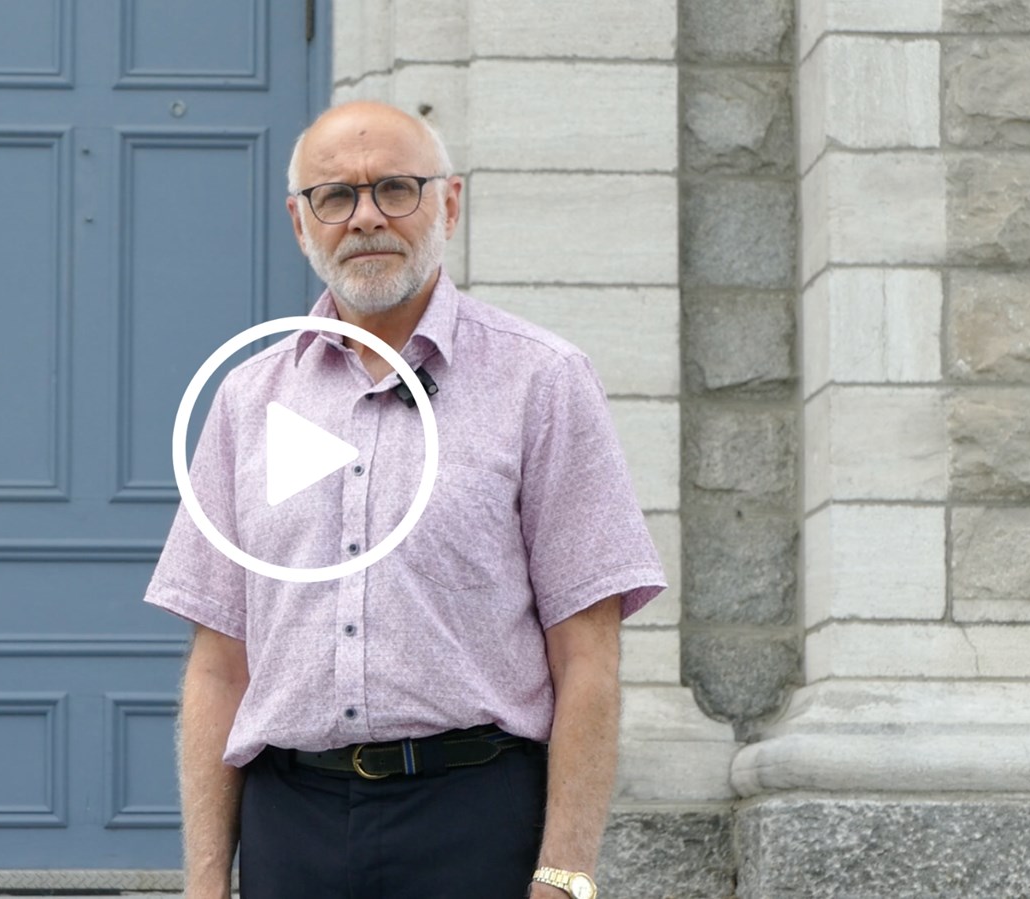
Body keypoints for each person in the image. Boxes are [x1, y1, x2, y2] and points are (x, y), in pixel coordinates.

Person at [143, 100, 665, 899]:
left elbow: (587, 653)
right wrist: (207, 881)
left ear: (449, 203)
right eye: (335, 196)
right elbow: (219, 667)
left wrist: (564, 875)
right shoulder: (248, 401)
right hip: (291, 824)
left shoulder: (542, 382)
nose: (366, 217)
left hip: (477, 821)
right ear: (300, 222)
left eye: (395, 187)